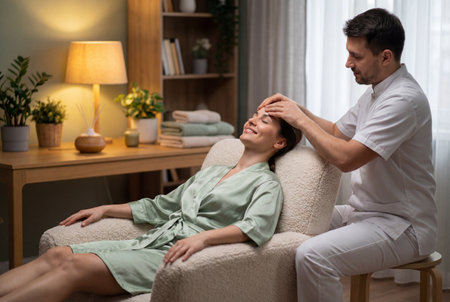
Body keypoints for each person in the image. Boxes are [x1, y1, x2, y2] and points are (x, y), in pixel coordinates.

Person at [0, 108, 302, 302]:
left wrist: (202, 237)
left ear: (279, 143)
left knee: (75, 266)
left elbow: (256, 228)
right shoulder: (214, 171)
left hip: (180, 257)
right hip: (150, 242)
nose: (252, 119)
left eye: (265, 121)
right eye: (255, 114)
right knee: (57, 254)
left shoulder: (266, 184)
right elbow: (161, 206)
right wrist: (106, 208)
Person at [259, 8, 436, 302]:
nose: (347, 63)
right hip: (364, 213)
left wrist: (300, 121)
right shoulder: (376, 92)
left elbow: (346, 158)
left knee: (312, 256)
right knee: (287, 221)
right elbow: (337, 132)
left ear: (386, 57)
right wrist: (297, 108)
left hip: (403, 226)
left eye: (356, 56)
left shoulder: (403, 100)